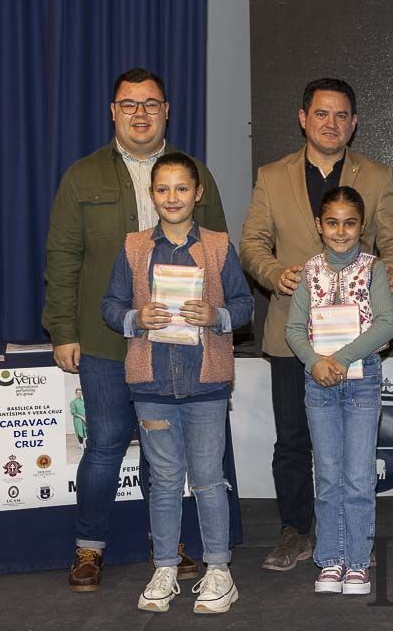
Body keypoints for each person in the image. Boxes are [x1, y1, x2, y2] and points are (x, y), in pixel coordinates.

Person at [44, 68, 227, 591]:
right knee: (103, 444)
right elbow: (62, 257)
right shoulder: (82, 176)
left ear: (167, 110)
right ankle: (88, 548)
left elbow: (217, 251)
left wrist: (213, 323)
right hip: (104, 339)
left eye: (151, 103)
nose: (140, 113)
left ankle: (165, 549)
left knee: (164, 452)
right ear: (113, 111)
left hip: (175, 345)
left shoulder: (195, 173)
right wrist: (61, 330)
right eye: (129, 104)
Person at [240, 78, 393, 572]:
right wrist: (276, 274)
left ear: (353, 123)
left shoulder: (376, 175)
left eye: (341, 116)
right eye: (321, 114)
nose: (331, 124)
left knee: (351, 450)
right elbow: (251, 242)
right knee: (293, 438)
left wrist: (390, 274)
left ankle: (351, 541)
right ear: (303, 118)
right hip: (293, 334)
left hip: (357, 339)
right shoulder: (272, 176)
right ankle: (296, 531)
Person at [101, 152, 253, 613]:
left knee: (209, 480)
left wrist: (217, 316)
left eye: (181, 188)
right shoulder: (133, 248)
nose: (172, 197)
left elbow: (245, 304)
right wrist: (135, 317)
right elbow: (110, 304)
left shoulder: (220, 246)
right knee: (165, 481)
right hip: (150, 385)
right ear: (152, 195)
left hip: (205, 385)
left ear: (198, 193)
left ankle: (219, 570)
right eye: (163, 189)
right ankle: (165, 565)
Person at [285, 187, 393, 596]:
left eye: (349, 223)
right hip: (318, 381)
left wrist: (344, 358)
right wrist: (316, 362)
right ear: (319, 225)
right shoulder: (310, 271)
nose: (340, 231)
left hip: (362, 379)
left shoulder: (374, 269)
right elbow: (294, 329)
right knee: (328, 475)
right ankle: (330, 559)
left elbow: (387, 325)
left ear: (361, 226)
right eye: (332, 222)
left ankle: (357, 561)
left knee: (358, 477)